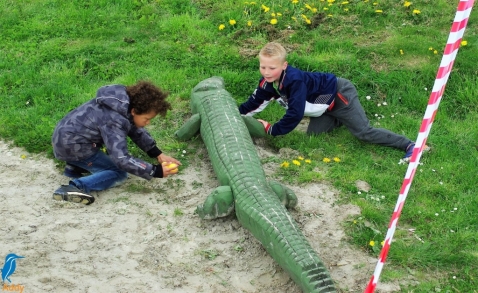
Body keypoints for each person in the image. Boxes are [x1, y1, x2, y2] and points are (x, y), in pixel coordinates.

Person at [239, 42, 428, 162]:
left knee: (363, 132)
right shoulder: (267, 83)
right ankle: (339, 119)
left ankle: (411, 145)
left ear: (284, 65)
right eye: (263, 66)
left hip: (339, 96)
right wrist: (236, 115)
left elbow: (295, 113)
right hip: (324, 107)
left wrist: (272, 129)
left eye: (272, 67)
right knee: (314, 133)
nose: (266, 72)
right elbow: (253, 103)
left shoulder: (294, 81)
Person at [51, 81, 181, 205]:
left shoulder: (121, 103)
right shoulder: (114, 120)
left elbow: (135, 130)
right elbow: (121, 158)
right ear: (134, 111)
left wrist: (157, 153)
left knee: (105, 159)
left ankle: (74, 167)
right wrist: (154, 171)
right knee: (118, 173)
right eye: (146, 119)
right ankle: (75, 187)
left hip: (66, 140)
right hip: (73, 146)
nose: (148, 123)